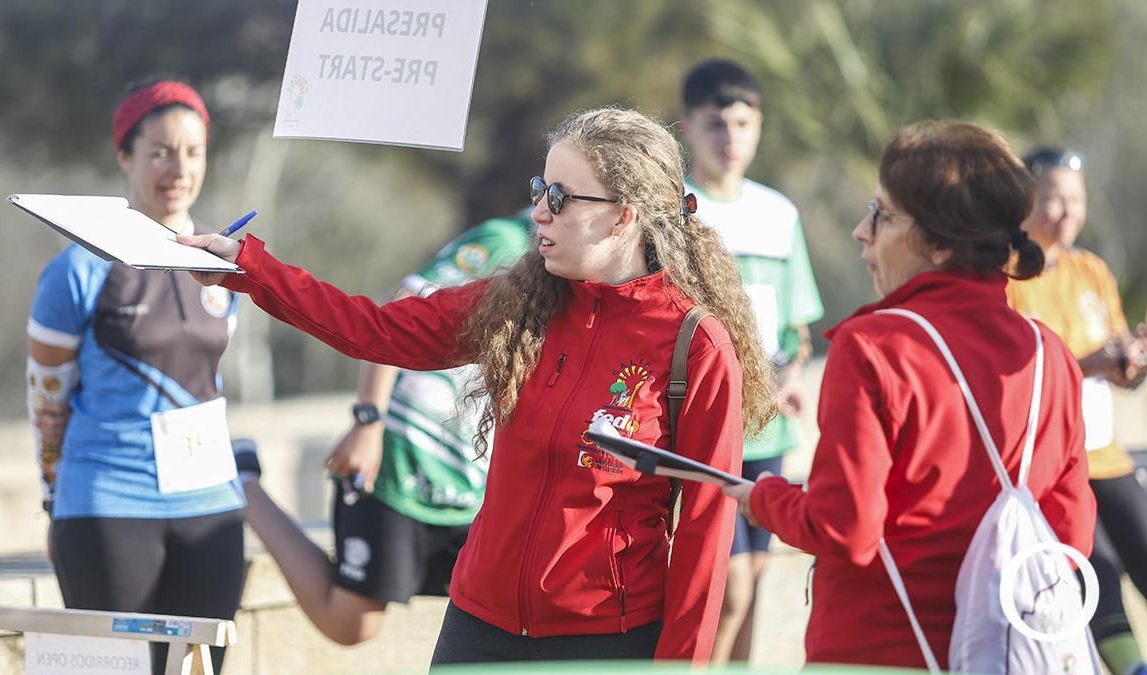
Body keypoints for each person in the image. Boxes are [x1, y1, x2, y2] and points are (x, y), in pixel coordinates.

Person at [182, 106, 777, 664]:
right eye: (539, 190)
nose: (540, 211)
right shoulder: (520, 305)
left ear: (624, 217)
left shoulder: (695, 348)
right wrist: (248, 267)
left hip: (605, 643)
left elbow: (705, 535)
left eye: (562, 198)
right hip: (478, 629)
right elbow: (374, 329)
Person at [723, 121, 1097, 669]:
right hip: (1006, 653)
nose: (860, 231)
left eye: (881, 214)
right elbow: (1070, 537)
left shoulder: (873, 346)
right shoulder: (1049, 355)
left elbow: (844, 529)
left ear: (941, 243)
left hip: (878, 648)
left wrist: (764, 498)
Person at [231, 213, 533, 645]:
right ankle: (243, 485)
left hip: (469, 480)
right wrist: (368, 422)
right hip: (400, 461)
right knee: (351, 621)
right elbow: (402, 302)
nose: (547, 206)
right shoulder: (507, 239)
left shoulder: (589, 272)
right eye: (546, 191)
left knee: (492, 612)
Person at [26, 79, 243, 675]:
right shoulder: (76, 268)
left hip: (211, 500)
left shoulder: (222, 266)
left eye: (193, 152)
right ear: (124, 155)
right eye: (159, 152)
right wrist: (52, 497)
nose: (178, 168)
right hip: (107, 501)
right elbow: (46, 396)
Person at [678, 58, 824, 664]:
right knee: (726, 585)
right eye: (715, 123)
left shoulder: (780, 213)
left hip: (770, 428)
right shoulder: (674, 212)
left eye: (742, 122)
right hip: (704, 422)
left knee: (756, 577)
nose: (730, 138)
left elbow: (798, 328)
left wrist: (790, 379)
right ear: (687, 126)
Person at [1007, 147, 1147, 675]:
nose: (1067, 213)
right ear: (1024, 201)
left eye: (1076, 200)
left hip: (1106, 454)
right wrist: (1088, 361)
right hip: (1049, 466)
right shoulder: (1006, 274)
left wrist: (1130, 362)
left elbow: (1115, 370)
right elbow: (1016, 373)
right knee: (1096, 577)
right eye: (1053, 200)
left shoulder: (1091, 270)